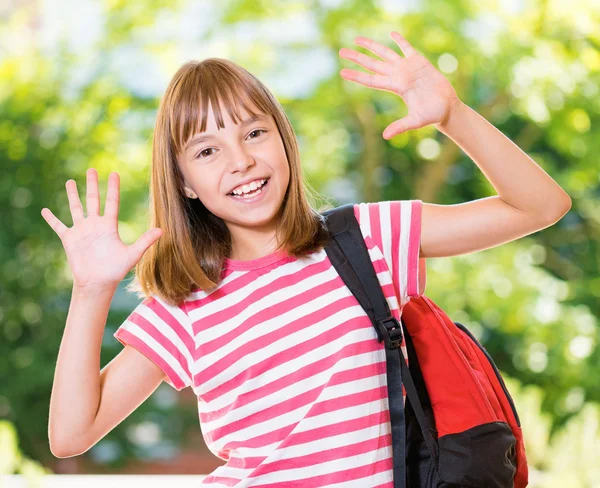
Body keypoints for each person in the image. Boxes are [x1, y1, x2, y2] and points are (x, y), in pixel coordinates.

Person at [44, 31, 571, 486]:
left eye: (254, 133)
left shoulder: (368, 238)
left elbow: (542, 206)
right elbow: (71, 434)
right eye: (207, 151)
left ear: (284, 138)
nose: (242, 160)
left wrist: (453, 116)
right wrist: (91, 291)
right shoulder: (186, 304)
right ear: (184, 182)